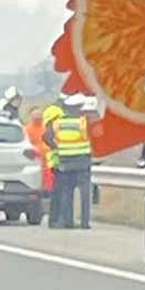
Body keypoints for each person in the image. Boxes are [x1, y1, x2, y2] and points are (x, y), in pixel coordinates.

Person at [44, 93, 94, 229]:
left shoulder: (58, 123)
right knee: (85, 194)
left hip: (64, 161)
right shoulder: (84, 122)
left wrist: (57, 147)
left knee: (66, 192)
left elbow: (46, 137)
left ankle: (68, 221)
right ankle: (85, 222)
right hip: (82, 162)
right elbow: (95, 138)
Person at [41, 96, 66, 222]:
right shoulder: (57, 114)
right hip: (58, 160)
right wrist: (58, 147)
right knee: (60, 191)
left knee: (56, 191)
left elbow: (45, 136)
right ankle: (58, 218)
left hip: (54, 160)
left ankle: (54, 218)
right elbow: (48, 136)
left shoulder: (50, 111)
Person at [24, 106, 54, 194]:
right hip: (34, 160)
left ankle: (48, 193)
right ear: (31, 117)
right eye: (35, 116)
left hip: (48, 160)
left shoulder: (46, 128)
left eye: (39, 115)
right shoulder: (26, 130)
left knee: (48, 179)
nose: (38, 117)